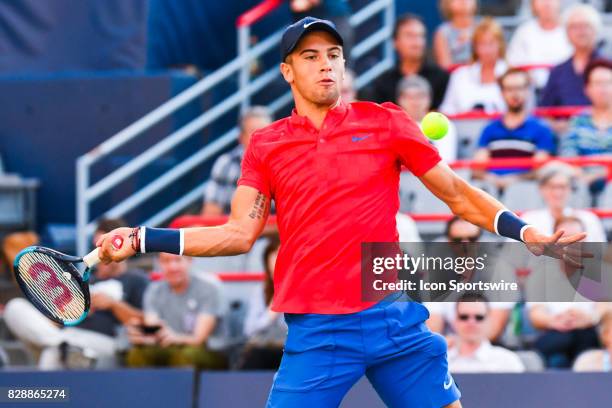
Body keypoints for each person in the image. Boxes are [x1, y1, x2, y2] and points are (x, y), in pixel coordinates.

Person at [98, 17, 586, 407]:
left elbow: (458, 195)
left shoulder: (387, 122)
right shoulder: (266, 145)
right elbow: (236, 235)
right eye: (310, 57)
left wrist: (525, 233)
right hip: (319, 330)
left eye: (333, 55)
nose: (325, 65)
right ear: (287, 71)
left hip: (391, 318)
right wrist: (143, 238)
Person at [3, 218, 149, 369]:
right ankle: (64, 346)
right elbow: (56, 322)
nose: (100, 252)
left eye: (107, 247)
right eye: (97, 246)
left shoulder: (137, 279)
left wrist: (113, 305)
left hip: (109, 344)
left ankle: (63, 350)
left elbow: (147, 324)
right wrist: (69, 312)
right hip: (66, 337)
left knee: (52, 354)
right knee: (15, 307)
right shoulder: (87, 281)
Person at [125, 252, 227, 369]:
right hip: (169, 346)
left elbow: (199, 338)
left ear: (190, 261)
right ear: (159, 264)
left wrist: (174, 337)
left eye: (177, 260)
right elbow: (153, 325)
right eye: (166, 261)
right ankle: (144, 387)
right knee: (138, 353)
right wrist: (143, 336)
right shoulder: (154, 290)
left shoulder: (209, 287)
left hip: (209, 349)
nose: (172, 267)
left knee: (186, 355)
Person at [425, 217, 515, 344]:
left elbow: (494, 331)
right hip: (449, 350)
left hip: (490, 349)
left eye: (472, 239)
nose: (465, 244)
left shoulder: (500, 271)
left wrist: (462, 346)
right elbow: (433, 329)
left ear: (479, 241)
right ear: (448, 242)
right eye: (457, 240)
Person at [527, 216, 602, 368]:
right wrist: (554, 320)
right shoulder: (540, 275)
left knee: (585, 337)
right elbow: (536, 314)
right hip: (555, 333)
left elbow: (606, 309)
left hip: (590, 334)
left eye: (576, 238)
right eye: (565, 238)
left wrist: (590, 318)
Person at [473, 68, 556, 191]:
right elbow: (478, 168)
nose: (515, 94)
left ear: (527, 91)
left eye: (519, 88)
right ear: (502, 93)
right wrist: (494, 181)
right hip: (492, 191)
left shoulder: (541, 128)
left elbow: (540, 168)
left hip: (526, 192)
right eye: (509, 89)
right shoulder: (490, 128)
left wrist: (513, 181)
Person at [360, 14, 449, 109]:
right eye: (410, 36)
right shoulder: (383, 82)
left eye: (421, 36)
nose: (417, 42)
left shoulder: (442, 78)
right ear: (395, 42)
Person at [201, 106, 272, 216]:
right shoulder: (226, 164)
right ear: (241, 137)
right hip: (230, 231)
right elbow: (210, 215)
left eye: (266, 132)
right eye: (254, 132)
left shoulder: (285, 164)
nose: (261, 138)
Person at [560, 59, 612, 201]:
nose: (603, 89)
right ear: (587, 89)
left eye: (608, 83)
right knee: (567, 183)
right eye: (598, 83)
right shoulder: (578, 120)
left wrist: (597, 175)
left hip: (608, 181)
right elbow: (568, 152)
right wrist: (580, 174)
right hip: (580, 179)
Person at [521, 161, 607, 242]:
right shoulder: (528, 220)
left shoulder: (589, 219)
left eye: (563, 187)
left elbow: (600, 255)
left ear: (571, 189)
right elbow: (515, 255)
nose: (557, 193)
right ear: (541, 189)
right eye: (552, 187)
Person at [439, 17, 508, 115]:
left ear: (500, 44)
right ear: (474, 47)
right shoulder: (459, 75)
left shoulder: (512, 75)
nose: (487, 50)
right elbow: (447, 110)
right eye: (482, 44)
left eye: (491, 43)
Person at [539, 4, 603, 107]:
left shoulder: (608, 67)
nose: (581, 32)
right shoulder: (557, 72)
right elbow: (545, 111)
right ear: (567, 33)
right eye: (574, 27)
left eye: (586, 26)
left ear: (596, 30)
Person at [239, 236, 286, 369]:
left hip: (291, 350)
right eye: (273, 258)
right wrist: (271, 312)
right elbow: (249, 330)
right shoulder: (260, 291)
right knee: (254, 356)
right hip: (264, 348)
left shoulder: (302, 289)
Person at [447, 293, 525, 373]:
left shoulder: (507, 361)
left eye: (479, 317)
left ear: (489, 321)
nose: (471, 322)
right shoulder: (438, 361)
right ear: (454, 321)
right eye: (464, 317)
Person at [506, 0, 573, 89]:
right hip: (530, 91)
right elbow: (513, 63)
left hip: (566, 89)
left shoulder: (571, 29)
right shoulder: (524, 32)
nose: (546, 3)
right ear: (533, 4)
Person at [397, 75, 458, 162]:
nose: (415, 102)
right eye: (410, 97)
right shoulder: (393, 128)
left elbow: (447, 162)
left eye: (420, 96)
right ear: (400, 100)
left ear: (429, 99)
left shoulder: (445, 125)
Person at [433, 0, 478, 70]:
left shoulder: (484, 27)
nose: (463, 1)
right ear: (447, 4)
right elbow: (446, 67)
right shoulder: (443, 32)